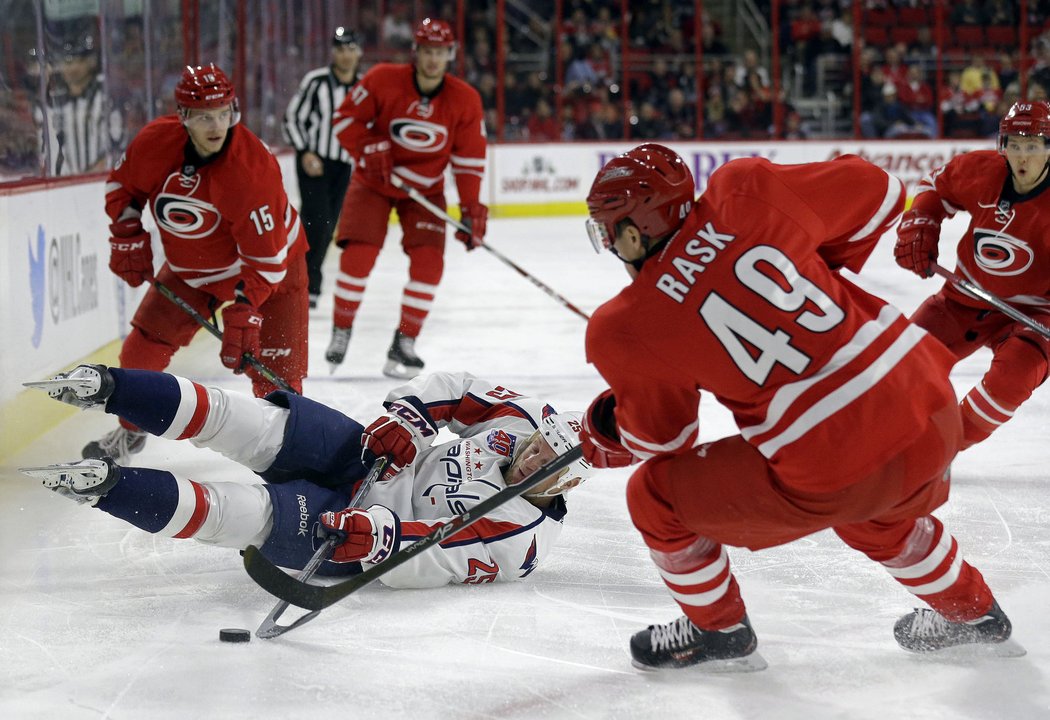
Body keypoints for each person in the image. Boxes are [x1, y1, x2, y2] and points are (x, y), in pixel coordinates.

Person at [578, 144, 1018, 671]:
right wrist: (808, 262)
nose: (609, 244)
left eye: (607, 231)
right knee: (875, 511)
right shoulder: (744, 190)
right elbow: (882, 193)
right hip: (929, 408)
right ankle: (973, 614)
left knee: (654, 500)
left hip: (835, 465)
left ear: (632, 232)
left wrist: (609, 423)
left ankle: (717, 630)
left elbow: (665, 443)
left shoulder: (623, 325)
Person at [24, 364, 591, 586]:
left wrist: (379, 538)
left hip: (361, 526)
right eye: (540, 445)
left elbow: (433, 557)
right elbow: (453, 388)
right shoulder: (522, 421)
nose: (533, 458)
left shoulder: (520, 540)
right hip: (372, 456)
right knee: (244, 419)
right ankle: (105, 386)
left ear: (567, 485)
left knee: (241, 515)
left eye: (548, 465)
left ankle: (100, 487)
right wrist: (411, 418)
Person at [91, 63, 309, 464]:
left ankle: (296, 456)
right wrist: (126, 233)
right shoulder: (156, 142)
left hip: (274, 272)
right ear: (184, 116)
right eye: (205, 116)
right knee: (140, 353)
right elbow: (122, 185)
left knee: (277, 380)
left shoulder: (251, 171)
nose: (216, 125)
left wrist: (246, 311)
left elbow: (266, 262)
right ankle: (130, 430)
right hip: (192, 269)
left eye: (224, 113)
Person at [325, 17, 488, 379]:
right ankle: (342, 328)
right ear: (416, 52)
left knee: (430, 265)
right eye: (427, 51)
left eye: (440, 52)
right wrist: (369, 147)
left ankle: (405, 340)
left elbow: (469, 160)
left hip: (424, 190)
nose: (433, 59)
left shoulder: (465, 99)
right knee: (358, 258)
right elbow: (344, 120)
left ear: (451, 54)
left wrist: (471, 208)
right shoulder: (383, 79)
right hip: (374, 182)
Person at [894, 100, 1050, 450]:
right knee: (901, 365)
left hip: (1035, 313)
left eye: (1033, 147)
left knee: (1013, 378)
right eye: (1015, 145)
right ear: (1003, 146)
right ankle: (878, 446)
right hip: (962, 300)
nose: (1022, 157)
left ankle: (937, 450)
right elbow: (935, 187)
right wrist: (919, 225)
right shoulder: (981, 171)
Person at [282, 26, 363, 309]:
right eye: (340, 49)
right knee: (316, 220)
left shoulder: (363, 87)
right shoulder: (316, 82)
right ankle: (305, 283)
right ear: (333, 52)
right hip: (314, 160)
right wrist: (304, 151)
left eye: (351, 48)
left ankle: (307, 282)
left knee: (328, 226)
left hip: (344, 165)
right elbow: (292, 118)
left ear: (359, 52)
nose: (346, 55)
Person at [34, 34, 124, 176]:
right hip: (61, 188)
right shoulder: (51, 102)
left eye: (79, 60)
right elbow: (43, 151)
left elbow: (118, 148)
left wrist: (86, 178)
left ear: (91, 62)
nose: (72, 67)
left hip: (99, 182)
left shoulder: (105, 98)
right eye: (67, 62)